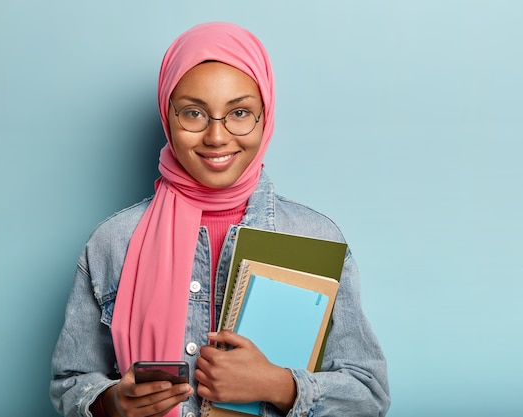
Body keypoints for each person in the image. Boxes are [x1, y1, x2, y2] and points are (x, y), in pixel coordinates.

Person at [50, 21, 390, 417]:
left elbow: (369, 396)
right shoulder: (113, 242)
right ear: (167, 114)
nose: (216, 136)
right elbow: (70, 383)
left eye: (240, 112)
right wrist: (111, 403)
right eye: (194, 113)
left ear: (266, 115)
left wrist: (278, 385)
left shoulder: (315, 238)